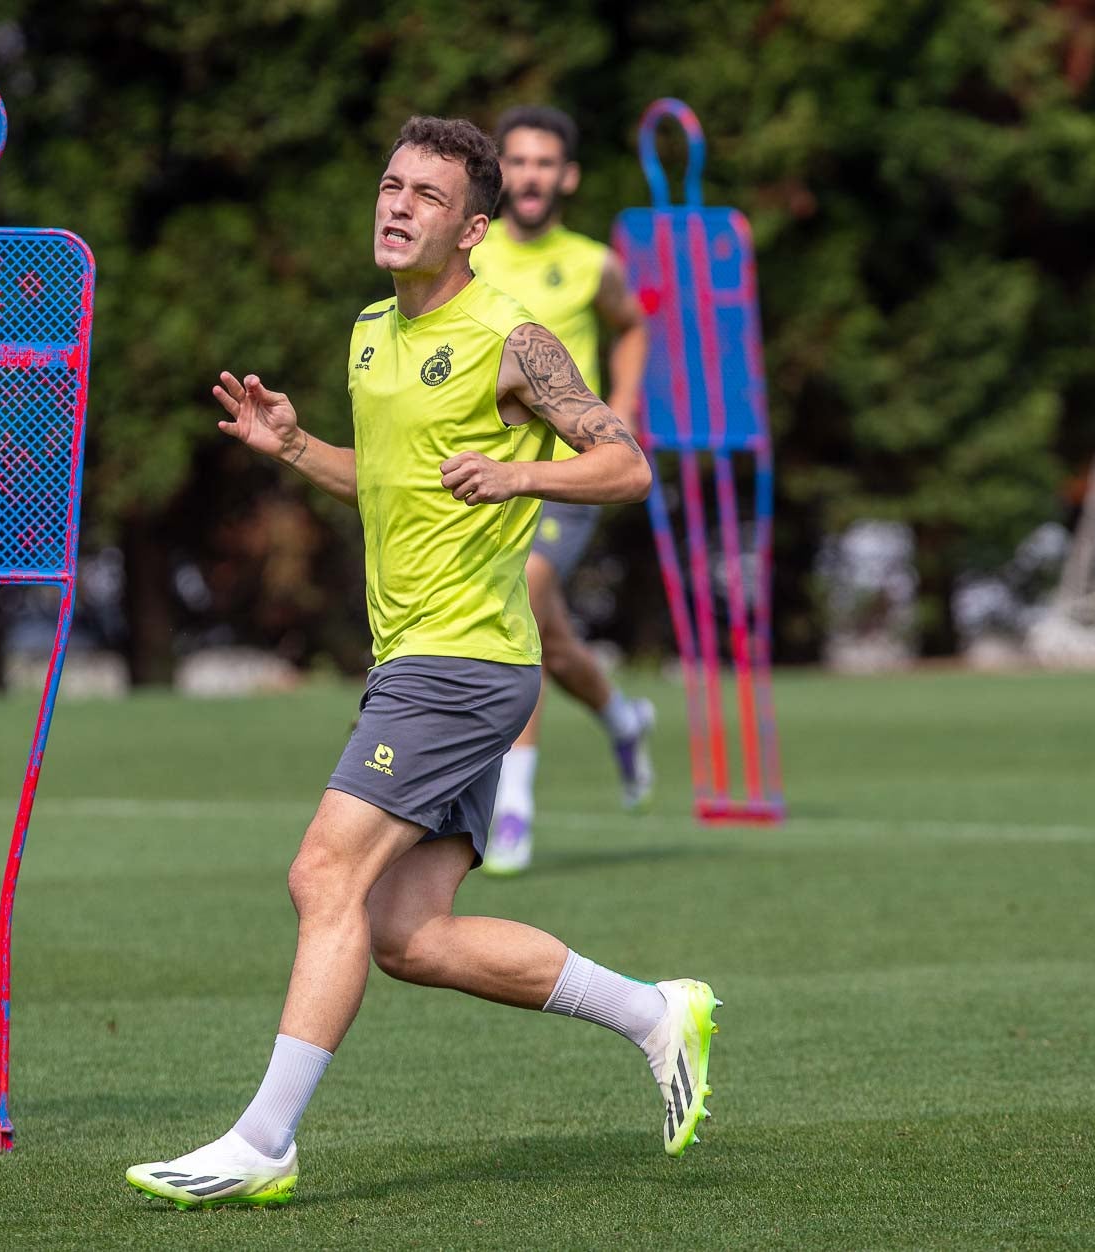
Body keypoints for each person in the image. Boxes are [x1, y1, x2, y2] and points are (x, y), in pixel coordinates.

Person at [123, 116, 720, 1211]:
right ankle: (653, 1012)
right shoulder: (367, 331)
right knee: (405, 935)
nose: (397, 206)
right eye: (390, 186)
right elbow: (390, 480)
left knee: (322, 876)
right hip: (417, 660)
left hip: (462, 663)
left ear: (473, 228)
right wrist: (292, 446)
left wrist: (520, 474)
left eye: (427, 196)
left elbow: (626, 465)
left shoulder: (513, 337)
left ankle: (263, 1141)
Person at [470, 105, 656, 877]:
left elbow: (633, 325)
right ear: (499, 173)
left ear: (567, 177)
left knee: (522, 597)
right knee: (550, 640)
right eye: (517, 161)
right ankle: (622, 717)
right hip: (487, 473)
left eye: (545, 163)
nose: (531, 175)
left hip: (563, 475)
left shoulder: (591, 264)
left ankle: (512, 807)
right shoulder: (469, 254)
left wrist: (623, 405)